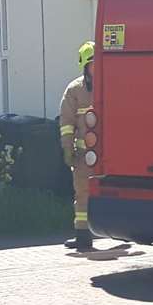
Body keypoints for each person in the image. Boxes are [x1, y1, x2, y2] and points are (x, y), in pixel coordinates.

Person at [57, 41, 96, 251]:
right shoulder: (75, 91)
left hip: (108, 155)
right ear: (85, 66)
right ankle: (83, 236)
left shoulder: (113, 85)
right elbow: (66, 123)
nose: (96, 69)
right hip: (83, 154)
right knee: (82, 193)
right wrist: (67, 148)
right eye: (92, 65)